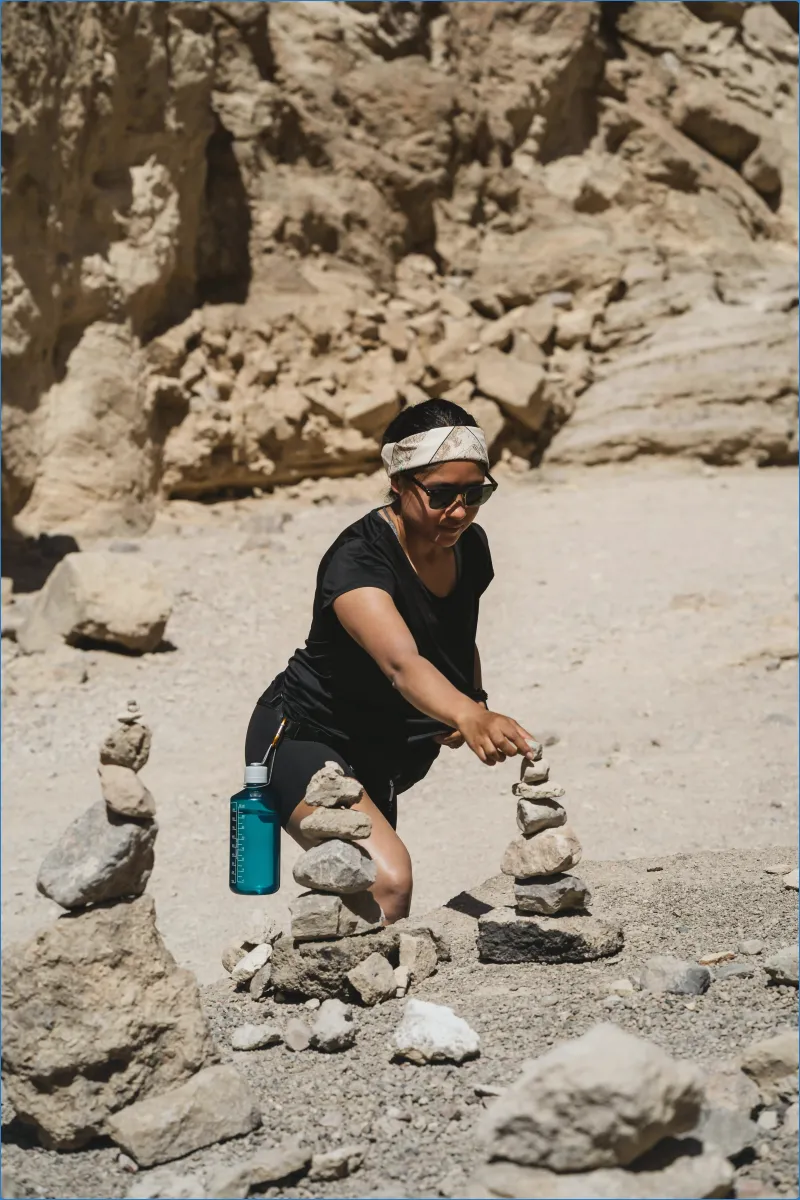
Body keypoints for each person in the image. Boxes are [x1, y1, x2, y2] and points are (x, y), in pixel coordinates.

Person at [245, 398, 537, 923]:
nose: (461, 511)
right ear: (399, 483)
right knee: (390, 881)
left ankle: (362, 998)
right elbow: (401, 662)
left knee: (369, 903)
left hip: (378, 751)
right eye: (442, 495)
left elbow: (454, 633)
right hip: (306, 736)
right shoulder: (357, 561)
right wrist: (468, 716)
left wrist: (471, 699)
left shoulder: (469, 547)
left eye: (476, 493)